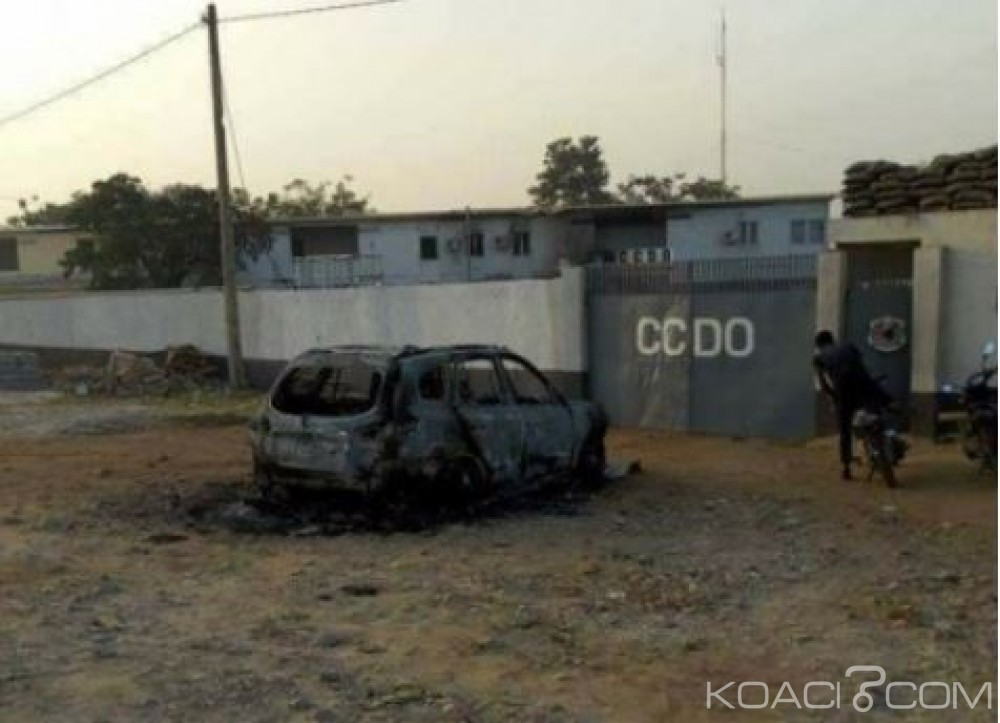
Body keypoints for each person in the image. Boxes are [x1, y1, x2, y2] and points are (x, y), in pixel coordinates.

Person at [812, 330, 891, 480]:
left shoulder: (819, 358)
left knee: (845, 431)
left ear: (818, 345)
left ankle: (846, 468)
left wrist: (834, 396)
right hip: (864, 386)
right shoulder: (849, 347)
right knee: (880, 400)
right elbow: (862, 368)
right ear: (833, 340)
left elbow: (823, 384)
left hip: (844, 393)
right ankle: (893, 411)